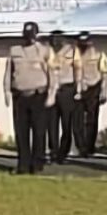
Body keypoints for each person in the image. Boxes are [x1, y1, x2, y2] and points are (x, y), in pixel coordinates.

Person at [5, 22, 57, 175]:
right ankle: (23, 165)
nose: (28, 38)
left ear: (36, 35)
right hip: (20, 96)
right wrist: (7, 91)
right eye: (26, 35)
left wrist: (52, 94)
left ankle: (37, 164)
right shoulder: (15, 51)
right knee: (21, 133)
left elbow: (52, 74)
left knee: (39, 131)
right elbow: (9, 72)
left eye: (31, 35)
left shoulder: (45, 51)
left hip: (38, 95)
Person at [72, 32, 107, 158]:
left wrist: (104, 91)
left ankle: (90, 147)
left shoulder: (99, 54)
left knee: (92, 120)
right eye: (80, 43)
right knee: (77, 121)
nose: (83, 46)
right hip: (78, 89)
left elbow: (104, 74)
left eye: (85, 43)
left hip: (93, 88)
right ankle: (81, 147)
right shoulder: (74, 54)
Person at [46, 30, 78, 164]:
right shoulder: (46, 51)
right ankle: (53, 152)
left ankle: (63, 154)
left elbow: (78, 68)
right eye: (53, 39)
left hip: (66, 88)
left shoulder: (72, 50)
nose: (55, 42)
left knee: (66, 123)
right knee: (52, 124)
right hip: (51, 90)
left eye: (58, 39)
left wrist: (78, 88)